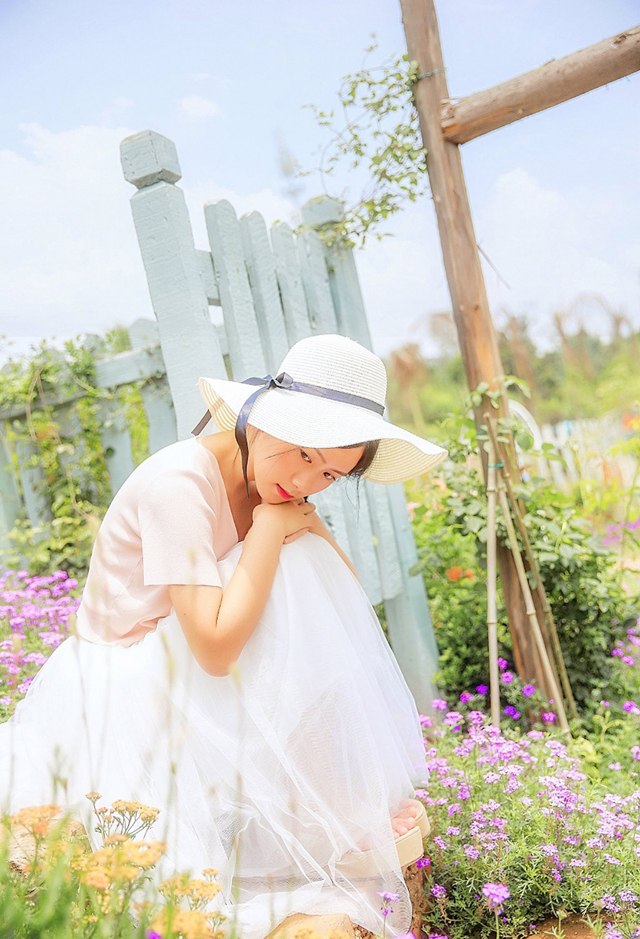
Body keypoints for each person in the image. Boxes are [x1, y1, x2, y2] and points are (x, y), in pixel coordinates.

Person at [0, 333, 447, 939]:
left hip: (181, 676)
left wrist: (303, 522)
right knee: (284, 565)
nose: (306, 480)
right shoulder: (177, 485)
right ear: (259, 421)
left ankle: (333, 810)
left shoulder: (278, 482)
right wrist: (270, 528)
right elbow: (213, 650)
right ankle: (330, 814)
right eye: (301, 453)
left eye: (330, 474)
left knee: (299, 565)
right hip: (120, 686)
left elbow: (343, 598)